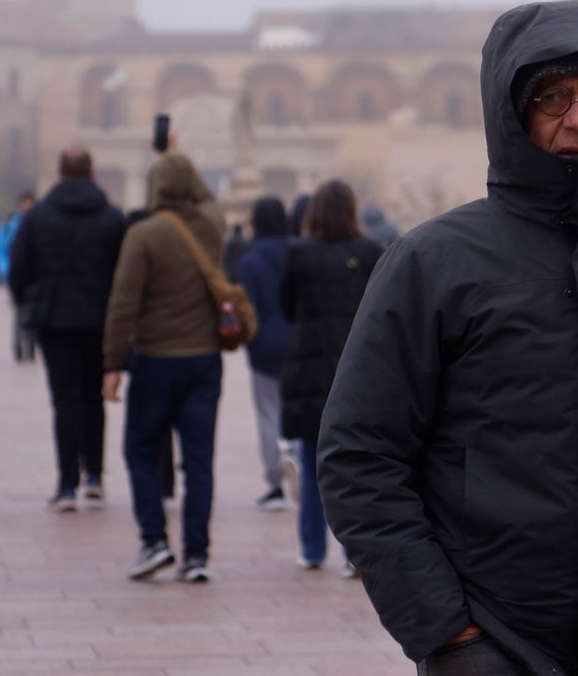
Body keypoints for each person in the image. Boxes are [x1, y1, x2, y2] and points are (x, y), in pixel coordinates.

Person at [318, 0, 578, 676]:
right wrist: (445, 630)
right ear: (512, 109)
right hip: (489, 642)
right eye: (554, 97)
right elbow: (359, 455)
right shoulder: (434, 262)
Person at [102, 152, 227, 584]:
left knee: (140, 449)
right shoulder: (213, 228)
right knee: (199, 460)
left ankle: (154, 540)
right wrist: (178, 159)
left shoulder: (143, 235)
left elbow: (123, 304)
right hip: (203, 361)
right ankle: (197, 554)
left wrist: (113, 362)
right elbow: (209, 200)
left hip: (155, 359)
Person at [9, 150, 126, 512]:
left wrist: (31, 302)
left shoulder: (38, 217)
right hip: (99, 320)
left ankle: (66, 485)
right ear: (92, 172)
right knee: (94, 399)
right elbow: (124, 272)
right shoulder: (111, 218)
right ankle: (94, 476)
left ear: (59, 174)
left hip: (55, 321)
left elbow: (18, 269)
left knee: (65, 402)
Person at [278, 179, 383, 574]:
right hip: (358, 368)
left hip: (309, 363)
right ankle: (355, 553)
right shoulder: (371, 252)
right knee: (359, 466)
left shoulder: (298, 254)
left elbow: (286, 307)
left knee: (311, 461)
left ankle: (311, 548)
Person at [233, 195, 295, 511]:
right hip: (299, 345)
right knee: (298, 411)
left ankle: (274, 482)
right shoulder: (300, 252)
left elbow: (247, 308)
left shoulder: (251, 260)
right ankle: (298, 464)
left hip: (265, 348)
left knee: (268, 413)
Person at [0, 192, 37, 361]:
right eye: (24, 203)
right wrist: (6, 270)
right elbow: (0, 250)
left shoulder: (40, 223)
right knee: (19, 312)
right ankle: (19, 347)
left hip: (36, 277)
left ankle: (31, 344)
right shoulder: (9, 226)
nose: (26, 206)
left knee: (32, 312)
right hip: (16, 276)